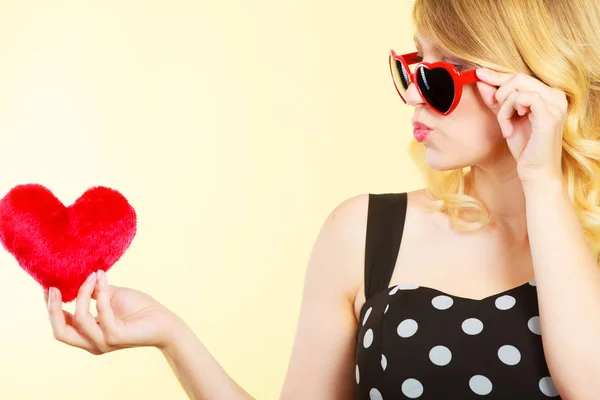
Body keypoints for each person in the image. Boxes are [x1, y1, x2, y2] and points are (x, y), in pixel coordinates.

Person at [45, 0, 600, 398]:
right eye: (410, 69)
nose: (411, 95)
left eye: (436, 78)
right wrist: (174, 337)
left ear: (525, 84)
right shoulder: (366, 231)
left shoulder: (588, 244)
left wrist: (543, 184)